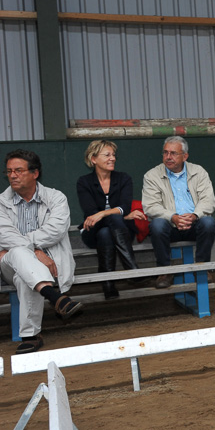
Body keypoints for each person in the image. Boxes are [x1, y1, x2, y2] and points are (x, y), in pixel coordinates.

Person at [0, 150, 83, 354]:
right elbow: (5, 235)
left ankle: (30, 336)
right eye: (9, 171)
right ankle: (56, 298)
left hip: (51, 262)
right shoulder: (1, 202)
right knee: (18, 254)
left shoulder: (56, 198)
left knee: (24, 275)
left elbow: (55, 231)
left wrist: (26, 248)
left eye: (19, 170)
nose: (13, 175)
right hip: (8, 265)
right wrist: (35, 252)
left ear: (35, 173)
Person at [141, 136, 215, 289]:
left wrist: (195, 215)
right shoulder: (152, 175)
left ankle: (202, 268)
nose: (168, 157)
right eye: (165, 153)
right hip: (169, 228)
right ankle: (165, 271)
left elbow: (209, 201)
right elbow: (150, 206)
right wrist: (173, 217)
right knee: (157, 225)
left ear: (185, 156)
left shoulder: (199, 172)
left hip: (195, 225)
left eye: (173, 153)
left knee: (209, 222)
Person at [77, 140, 146, 299]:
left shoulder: (124, 178)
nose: (112, 158)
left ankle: (108, 284)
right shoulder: (84, 182)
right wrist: (114, 214)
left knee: (106, 233)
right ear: (93, 159)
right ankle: (132, 269)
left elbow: (125, 206)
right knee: (110, 223)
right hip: (92, 231)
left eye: (113, 155)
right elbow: (91, 212)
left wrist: (104, 214)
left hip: (121, 231)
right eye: (107, 155)